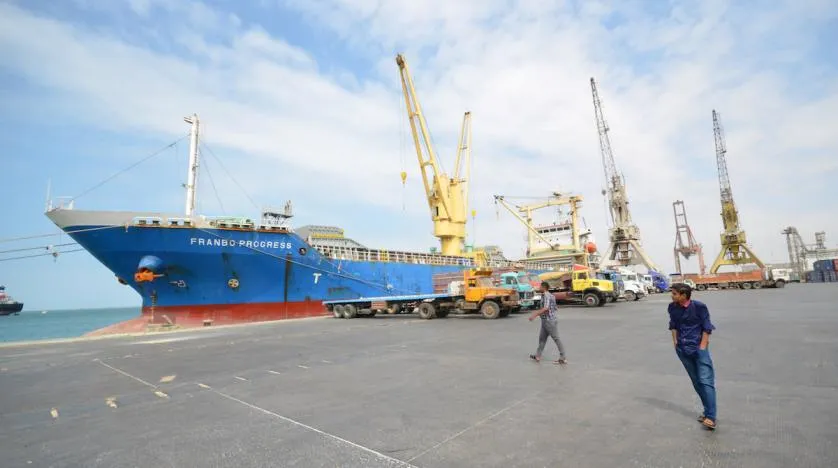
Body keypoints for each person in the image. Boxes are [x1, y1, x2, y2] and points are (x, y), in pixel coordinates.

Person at [668, 282, 717, 430]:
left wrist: (702, 347)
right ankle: (707, 411)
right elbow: (673, 325)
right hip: (683, 349)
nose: (672, 296)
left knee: (705, 381)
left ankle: (711, 417)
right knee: (696, 382)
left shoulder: (699, 307)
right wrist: (675, 343)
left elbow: (707, 327)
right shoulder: (672, 308)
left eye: (674, 294)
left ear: (684, 295)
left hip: (698, 349)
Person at [529, 281, 567, 365]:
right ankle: (538, 355)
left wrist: (535, 314)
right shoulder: (550, 295)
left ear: (544, 287)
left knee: (556, 339)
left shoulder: (546, 295)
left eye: (540, 287)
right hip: (545, 320)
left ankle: (563, 357)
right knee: (542, 339)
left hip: (549, 321)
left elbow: (545, 308)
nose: (539, 288)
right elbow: (555, 307)